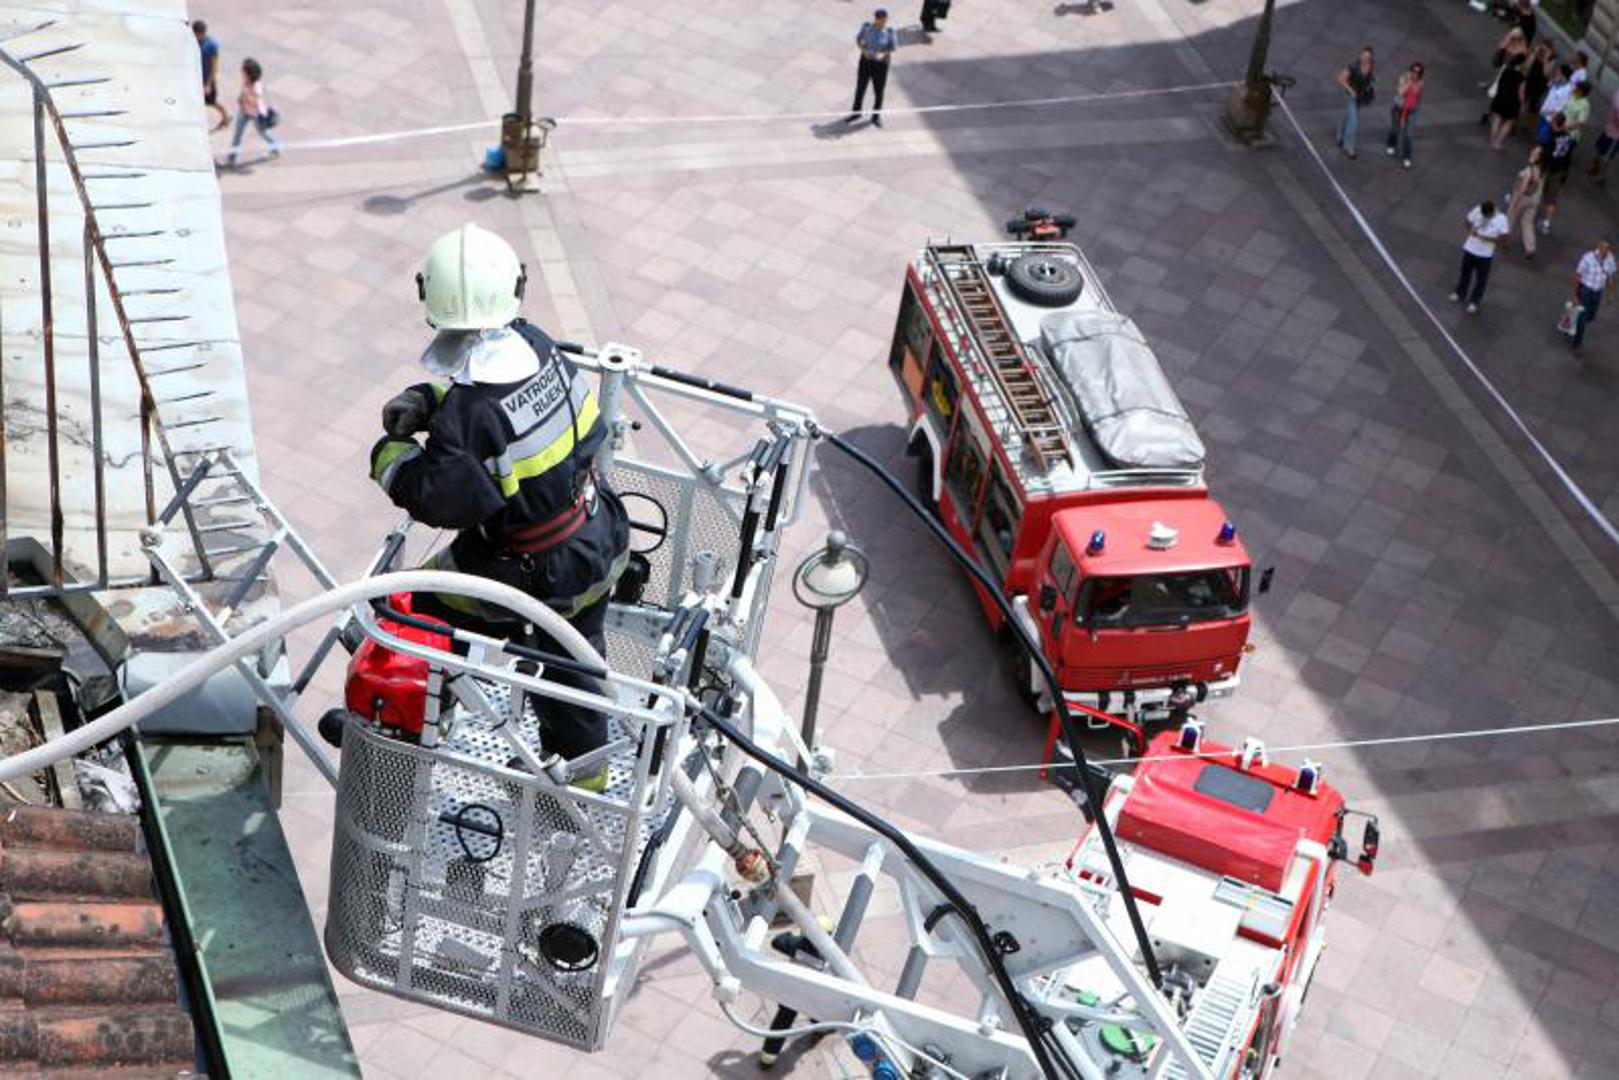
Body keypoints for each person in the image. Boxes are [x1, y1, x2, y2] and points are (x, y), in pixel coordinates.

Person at [370, 224, 631, 789]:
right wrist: (431, 401)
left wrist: (390, 456)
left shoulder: (471, 414)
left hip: (536, 573)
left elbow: (443, 498)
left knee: (412, 609)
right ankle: (583, 773)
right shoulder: (537, 346)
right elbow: (496, 407)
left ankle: (425, 722)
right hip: (598, 529)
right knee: (573, 661)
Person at [1450, 200, 1509, 314]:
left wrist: (1484, 237)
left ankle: (1474, 302)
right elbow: (1467, 221)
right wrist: (1470, 229)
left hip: (1485, 255)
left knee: (1481, 280)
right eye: (1483, 215)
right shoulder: (1478, 210)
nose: (1484, 217)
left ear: (1492, 212)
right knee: (1465, 273)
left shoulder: (1502, 219)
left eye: (1486, 216)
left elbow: (1504, 239)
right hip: (1470, 249)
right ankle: (1460, 293)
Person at [221, 58, 279, 167]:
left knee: (262, 133)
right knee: (237, 134)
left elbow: (256, 102)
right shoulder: (246, 81)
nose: (241, 73)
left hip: (256, 114)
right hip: (244, 111)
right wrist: (241, 98)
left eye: (243, 71)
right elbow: (243, 92)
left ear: (250, 74)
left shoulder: (256, 87)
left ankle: (276, 146)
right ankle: (232, 159)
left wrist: (246, 98)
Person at [846, 9, 898, 127]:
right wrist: (863, 50)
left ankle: (876, 116)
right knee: (860, 88)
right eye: (881, 21)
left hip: (881, 64)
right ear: (876, 19)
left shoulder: (890, 32)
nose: (883, 23)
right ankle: (856, 112)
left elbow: (893, 47)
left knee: (879, 91)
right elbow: (858, 39)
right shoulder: (867, 27)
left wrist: (883, 54)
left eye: (885, 20)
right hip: (866, 61)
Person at [1568, 239, 1615, 354]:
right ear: (1598, 246)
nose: (1604, 250)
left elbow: (1610, 276)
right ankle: (1576, 344)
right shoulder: (1588, 257)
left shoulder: (1610, 259)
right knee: (1583, 317)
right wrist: (1574, 294)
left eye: (1606, 248)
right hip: (1585, 290)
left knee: (1591, 316)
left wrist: (1610, 293)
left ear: (1610, 249)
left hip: (1597, 291)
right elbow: (1578, 275)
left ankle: (1574, 321)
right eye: (1602, 246)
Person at [1506, 146, 1547, 258]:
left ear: (1539, 157)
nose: (1532, 152)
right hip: (1535, 199)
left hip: (1523, 198)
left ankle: (1505, 238)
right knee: (1527, 222)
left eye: (1535, 152)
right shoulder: (1543, 170)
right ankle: (1530, 248)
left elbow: (1523, 188)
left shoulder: (1530, 170)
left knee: (1511, 217)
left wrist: (1515, 200)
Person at [1538, 111, 1575, 234]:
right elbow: (1569, 158)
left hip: (1547, 169)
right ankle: (1546, 223)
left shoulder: (1550, 137)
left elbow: (1546, 155)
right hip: (1560, 171)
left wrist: (1540, 168)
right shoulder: (1569, 138)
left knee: (1537, 190)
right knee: (1551, 199)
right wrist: (1565, 174)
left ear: (1554, 122)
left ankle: (1529, 209)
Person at [1335, 46, 1375, 159]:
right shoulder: (1353, 66)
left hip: (1361, 98)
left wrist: (1372, 81)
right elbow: (1340, 78)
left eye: (1367, 56)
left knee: (1347, 116)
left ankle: (1339, 135)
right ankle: (1349, 148)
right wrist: (1350, 90)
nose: (1364, 58)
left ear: (1371, 58)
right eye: (1363, 55)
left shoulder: (1371, 66)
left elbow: (1368, 78)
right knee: (1353, 122)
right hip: (1351, 97)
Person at [1385, 62, 1424, 167]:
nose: (1415, 74)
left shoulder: (1420, 83)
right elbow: (1400, 92)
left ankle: (1407, 157)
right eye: (1414, 71)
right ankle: (1391, 144)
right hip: (1398, 108)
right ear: (1410, 70)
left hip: (1411, 110)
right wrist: (1409, 81)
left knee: (1408, 134)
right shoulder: (1403, 78)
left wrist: (1413, 106)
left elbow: (1416, 95)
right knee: (1395, 129)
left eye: (1418, 72)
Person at [192, 20, 227, 132]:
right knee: (198, 101)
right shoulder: (195, 42)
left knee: (211, 101)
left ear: (201, 33)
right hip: (198, 78)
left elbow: (215, 66)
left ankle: (225, 117)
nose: (195, 37)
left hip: (207, 80)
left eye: (196, 35)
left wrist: (208, 84)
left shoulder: (211, 45)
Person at [1488, 53, 1527, 149]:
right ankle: (1498, 142)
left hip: (1500, 97)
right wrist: (1522, 105)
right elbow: (1521, 93)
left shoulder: (1505, 70)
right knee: (1509, 122)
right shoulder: (1521, 77)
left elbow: (1498, 82)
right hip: (1512, 102)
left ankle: (1493, 141)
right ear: (1521, 64)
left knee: (1497, 119)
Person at [1590, 85, 1619, 183]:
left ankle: (1600, 177)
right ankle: (1595, 169)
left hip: (1615, 135)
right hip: (1610, 130)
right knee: (1601, 151)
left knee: (1605, 156)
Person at [1537, 63, 1573, 140]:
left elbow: (1561, 107)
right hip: (1544, 112)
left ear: (1563, 75)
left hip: (1551, 118)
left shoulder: (1567, 90)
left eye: (1558, 72)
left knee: (1543, 137)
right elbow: (1548, 91)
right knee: (1539, 134)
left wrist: (1551, 115)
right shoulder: (1556, 82)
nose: (1556, 73)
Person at [1523, 40, 1555, 123]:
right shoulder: (1536, 54)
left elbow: (1546, 73)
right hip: (1529, 81)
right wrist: (1534, 53)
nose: (1542, 51)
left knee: (1532, 108)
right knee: (1522, 101)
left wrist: (1546, 59)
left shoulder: (1551, 59)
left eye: (1545, 49)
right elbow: (1526, 66)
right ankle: (1516, 122)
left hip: (1539, 86)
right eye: (1542, 48)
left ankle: (1529, 125)